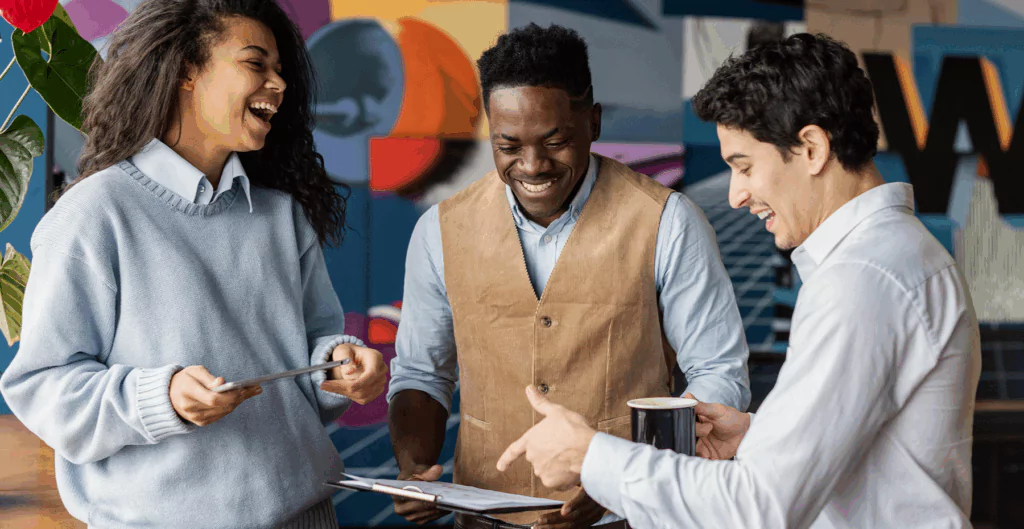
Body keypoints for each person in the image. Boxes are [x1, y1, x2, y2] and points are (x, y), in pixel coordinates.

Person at [495, 32, 982, 529]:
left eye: (744, 167)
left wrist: (591, 457)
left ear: (811, 148)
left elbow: (759, 508)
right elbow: (875, 458)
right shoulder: (893, 256)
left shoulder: (861, 282)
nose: (735, 196)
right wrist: (756, 435)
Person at [0, 1, 388, 527]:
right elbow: (42, 385)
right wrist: (161, 397)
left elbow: (312, 350)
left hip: (308, 514)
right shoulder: (93, 215)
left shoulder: (280, 215)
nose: (279, 84)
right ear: (186, 69)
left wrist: (339, 364)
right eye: (256, 64)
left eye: (280, 70)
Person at [385, 23, 751, 529]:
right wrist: (412, 468)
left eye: (555, 141)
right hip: (483, 516)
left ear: (594, 122)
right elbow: (421, 373)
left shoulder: (669, 220)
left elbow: (717, 373)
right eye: (508, 145)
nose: (532, 165)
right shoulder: (439, 231)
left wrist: (618, 476)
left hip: (625, 517)